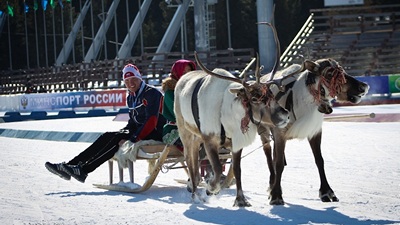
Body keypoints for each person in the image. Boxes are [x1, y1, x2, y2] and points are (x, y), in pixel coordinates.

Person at [45, 63, 166, 183]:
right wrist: (124, 132)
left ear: (139, 78)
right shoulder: (131, 97)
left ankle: (84, 170)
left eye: (134, 79)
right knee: (108, 136)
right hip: (141, 130)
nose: (131, 84)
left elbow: (151, 121)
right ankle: (71, 166)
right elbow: (133, 122)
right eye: (127, 81)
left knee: (115, 140)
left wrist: (133, 139)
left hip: (155, 132)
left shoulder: (151, 93)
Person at [161, 59, 196, 148]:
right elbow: (178, 114)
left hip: (193, 128)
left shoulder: (194, 90)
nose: (187, 75)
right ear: (177, 73)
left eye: (189, 72)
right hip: (175, 129)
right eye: (184, 72)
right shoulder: (170, 92)